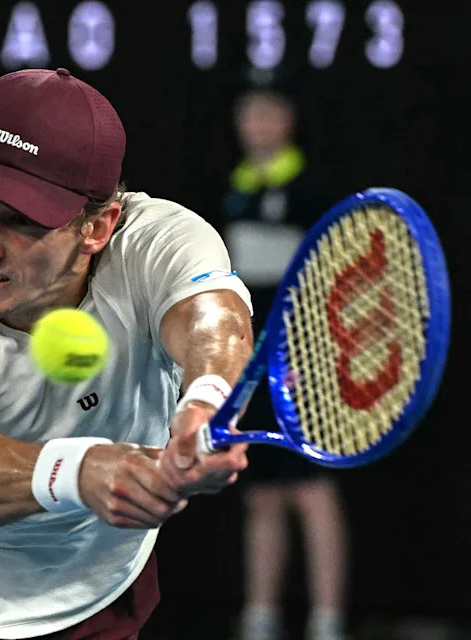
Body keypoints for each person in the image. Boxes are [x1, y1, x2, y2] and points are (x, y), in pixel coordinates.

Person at [0, 67, 255, 639]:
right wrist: (83, 469)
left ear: (98, 227)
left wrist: (205, 403)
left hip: (92, 597)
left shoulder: (158, 241)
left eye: (22, 219)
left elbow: (214, 322)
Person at [217, 77, 350, 640]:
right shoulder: (233, 189)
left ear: (287, 122)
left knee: (312, 490)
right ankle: (260, 616)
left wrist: (309, 352)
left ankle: (327, 619)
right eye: (249, 116)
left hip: (304, 359)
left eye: (268, 115)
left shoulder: (313, 189)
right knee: (262, 494)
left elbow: (330, 281)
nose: (258, 126)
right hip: (252, 360)